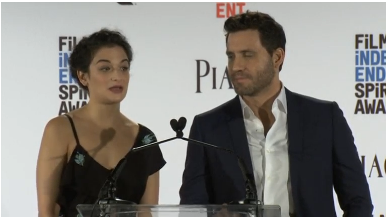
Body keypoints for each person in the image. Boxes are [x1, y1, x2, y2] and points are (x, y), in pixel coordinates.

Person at [179, 11, 373, 217]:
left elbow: (358, 201)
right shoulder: (207, 127)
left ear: (277, 57)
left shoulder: (324, 118)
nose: (236, 66)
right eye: (231, 56)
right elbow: (192, 208)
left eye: (247, 55)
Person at [36, 29, 166, 217]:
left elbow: (147, 213)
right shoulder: (60, 130)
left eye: (124, 67)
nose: (117, 76)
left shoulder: (145, 139)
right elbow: (46, 212)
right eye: (105, 68)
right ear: (83, 76)